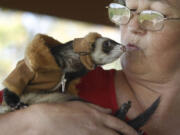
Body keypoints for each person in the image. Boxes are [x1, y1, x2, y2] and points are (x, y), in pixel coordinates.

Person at [0, 0, 180, 134]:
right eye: (128, 10)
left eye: (153, 15)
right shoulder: (64, 81)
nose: (132, 26)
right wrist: (33, 122)